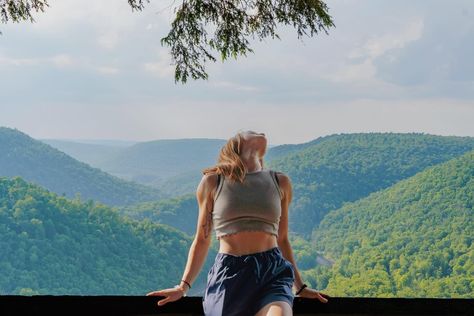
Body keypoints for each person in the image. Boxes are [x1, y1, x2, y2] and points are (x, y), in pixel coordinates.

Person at [147, 130, 329, 315]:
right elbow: (202, 239)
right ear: (236, 145)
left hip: (272, 270)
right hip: (229, 272)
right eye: (253, 132)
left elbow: (282, 239)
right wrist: (183, 287)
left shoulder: (280, 182)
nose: (261, 132)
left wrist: (299, 287)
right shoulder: (213, 182)